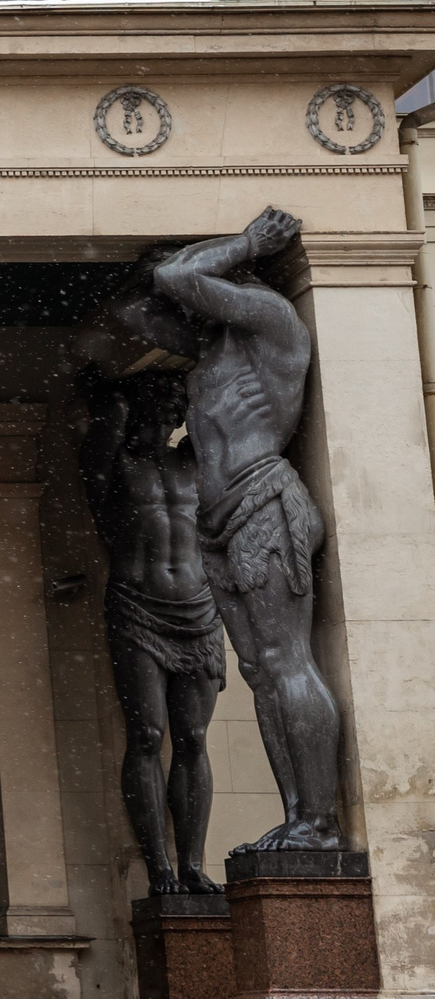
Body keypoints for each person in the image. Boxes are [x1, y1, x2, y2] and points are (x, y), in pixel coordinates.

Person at [149, 208, 344, 854]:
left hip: (263, 500)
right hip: (219, 520)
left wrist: (243, 243)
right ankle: (296, 814)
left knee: (288, 659)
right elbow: (139, 305)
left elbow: (178, 273)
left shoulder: (271, 322)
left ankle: (319, 819)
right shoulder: (213, 352)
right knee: (261, 670)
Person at [73, 325, 225, 895]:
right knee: (147, 733)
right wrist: (106, 373)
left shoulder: (194, 462)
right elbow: (102, 413)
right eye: (157, 404)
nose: (166, 416)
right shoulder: (111, 467)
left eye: (174, 407)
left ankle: (192, 863)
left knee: (192, 739)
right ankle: (157, 864)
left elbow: (222, 411)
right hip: (138, 608)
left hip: (200, 611)